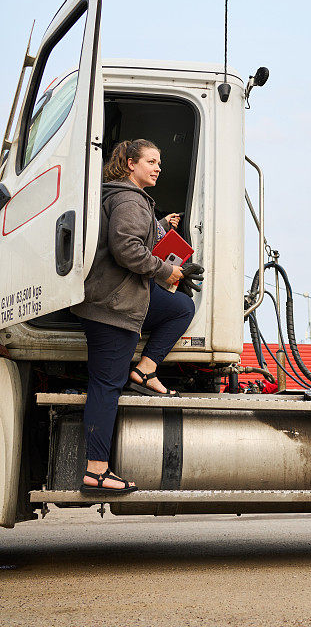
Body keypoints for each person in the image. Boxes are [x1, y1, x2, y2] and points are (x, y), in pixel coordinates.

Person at [71, 139, 195, 493]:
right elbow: (126, 247)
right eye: (151, 161)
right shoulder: (128, 198)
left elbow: (136, 237)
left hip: (120, 299)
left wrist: (169, 254)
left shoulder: (129, 198)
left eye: (160, 162)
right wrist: (164, 271)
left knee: (181, 308)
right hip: (114, 306)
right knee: (106, 387)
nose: (158, 168)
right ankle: (96, 472)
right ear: (129, 164)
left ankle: (145, 369)